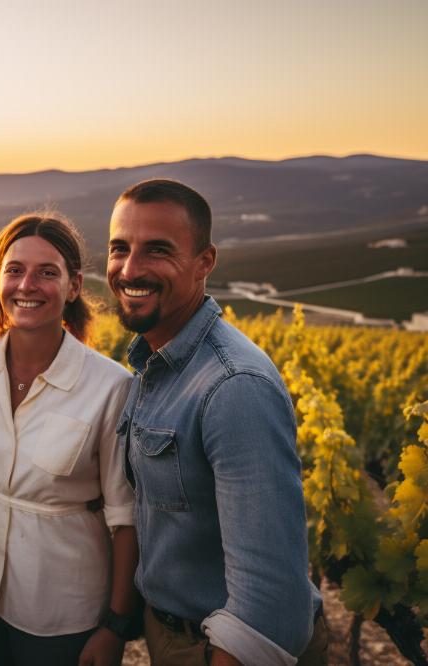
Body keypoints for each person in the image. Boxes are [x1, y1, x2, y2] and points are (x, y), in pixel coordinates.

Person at [107, 179, 327, 665]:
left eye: (157, 251)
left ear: (204, 262)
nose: (130, 268)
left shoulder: (233, 387)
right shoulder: (156, 362)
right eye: (119, 248)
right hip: (174, 634)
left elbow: (269, 604)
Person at [0, 213, 140, 666]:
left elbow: (125, 517)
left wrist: (114, 625)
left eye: (47, 272)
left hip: (63, 610)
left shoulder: (110, 386)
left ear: (73, 287)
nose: (27, 285)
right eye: (14, 270)